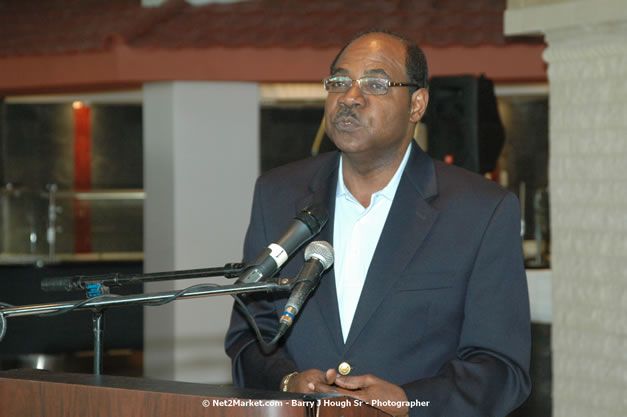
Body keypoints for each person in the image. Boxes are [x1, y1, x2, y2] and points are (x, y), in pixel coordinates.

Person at [225, 30, 531, 417]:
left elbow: (501, 368)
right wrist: (287, 383)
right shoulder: (278, 194)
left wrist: (409, 401)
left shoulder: (481, 211)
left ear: (416, 104)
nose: (350, 97)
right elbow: (249, 336)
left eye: (375, 83)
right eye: (339, 81)